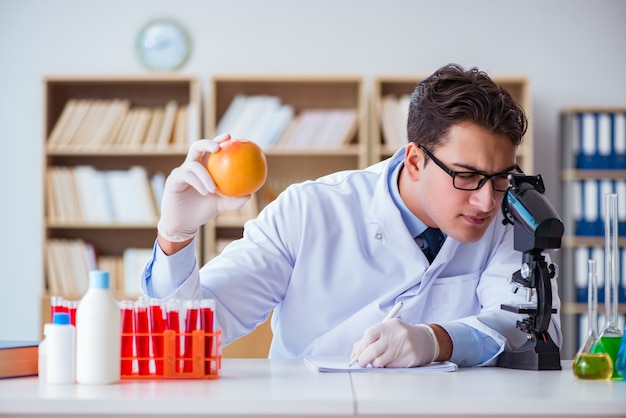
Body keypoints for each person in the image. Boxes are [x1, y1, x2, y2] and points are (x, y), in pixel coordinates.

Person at [142, 63, 562, 368]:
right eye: (468, 176)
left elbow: (535, 332)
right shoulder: (308, 210)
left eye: (501, 177)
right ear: (415, 161)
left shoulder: (507, 218)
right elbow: (183, 337)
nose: (487, 201)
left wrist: (439, 340)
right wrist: (174, 236)